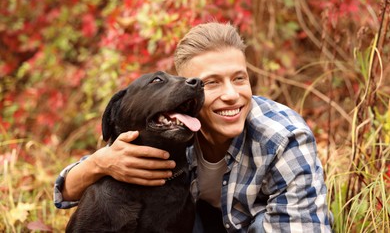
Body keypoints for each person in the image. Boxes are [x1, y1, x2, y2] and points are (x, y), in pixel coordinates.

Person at [54, 22, 333, 232]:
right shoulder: (172, 127)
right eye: (211, 83)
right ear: (185, 94)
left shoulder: (283, 138)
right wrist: (98, 164)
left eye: (239, 79)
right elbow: (64, 193)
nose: (231, 95)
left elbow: (305, 227)